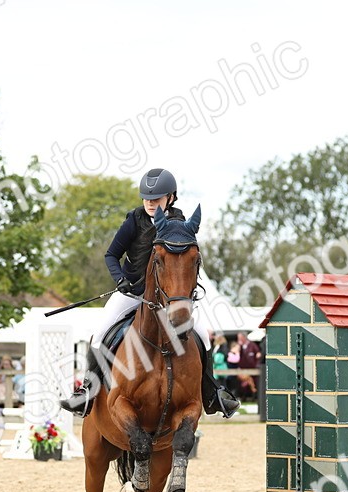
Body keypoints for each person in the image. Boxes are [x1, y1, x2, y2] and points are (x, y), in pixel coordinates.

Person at [60, 168, 238, 418]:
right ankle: (87, 392)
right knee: (100, 333)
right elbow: (111, 254)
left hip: (169, 299)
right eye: (147, 198)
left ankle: (213, 392)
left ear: (171, 198)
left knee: (203, 337)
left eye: (156, 199)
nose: (150, 203)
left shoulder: (180, 222)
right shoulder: (134, 220)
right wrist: (120, 279)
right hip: (131, 292)